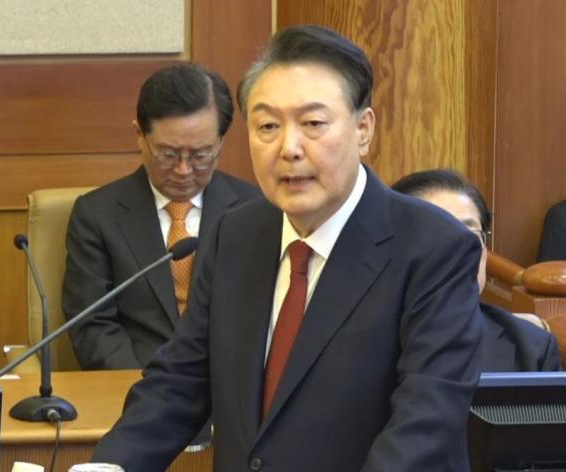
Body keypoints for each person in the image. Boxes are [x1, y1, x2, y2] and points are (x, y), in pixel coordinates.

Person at [92, 25, 483, 471]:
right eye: (267, 126)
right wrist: (109, 465)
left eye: (313, 124)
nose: (289, 148)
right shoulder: (234, 235)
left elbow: (425, 423)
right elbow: (181, 380)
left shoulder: (435, 248)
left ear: (363, 129)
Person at [62, 63, 260, 371]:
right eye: (168, 154)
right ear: (139, 136)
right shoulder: (97, 215)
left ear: (221, 141)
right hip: (135, 388)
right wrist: (147, 395)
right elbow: (93, 327)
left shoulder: (256, 210)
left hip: (228, 392)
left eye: (200, 155)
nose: (183, 170)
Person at [392, 169, 561, 372]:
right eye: (435, 236)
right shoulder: (358, 345)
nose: (456, 252)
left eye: (468, 235)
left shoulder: (532, 347)